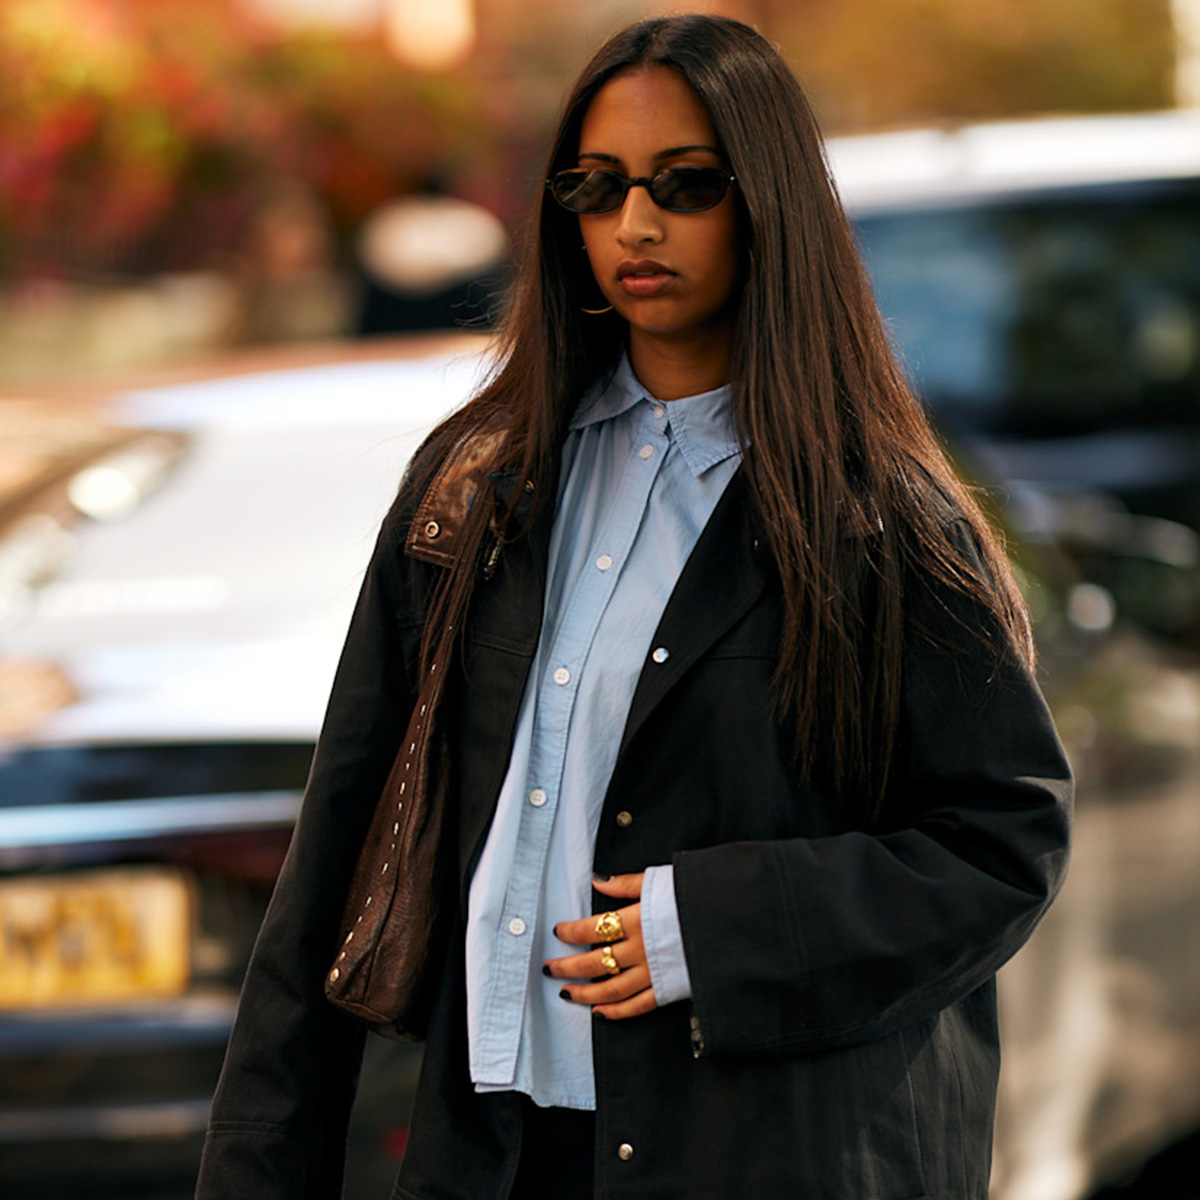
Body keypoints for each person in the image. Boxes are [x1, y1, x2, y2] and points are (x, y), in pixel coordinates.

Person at [195, 14, 1072, 1200]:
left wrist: (712, 928)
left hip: (769, 1154)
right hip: (497, 1154)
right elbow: (339, 850)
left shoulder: (880, 519)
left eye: (686, 185)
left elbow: (1001, 844)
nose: (635, 225)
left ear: (768, 201)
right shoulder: (476, 485)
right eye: (598, 189)